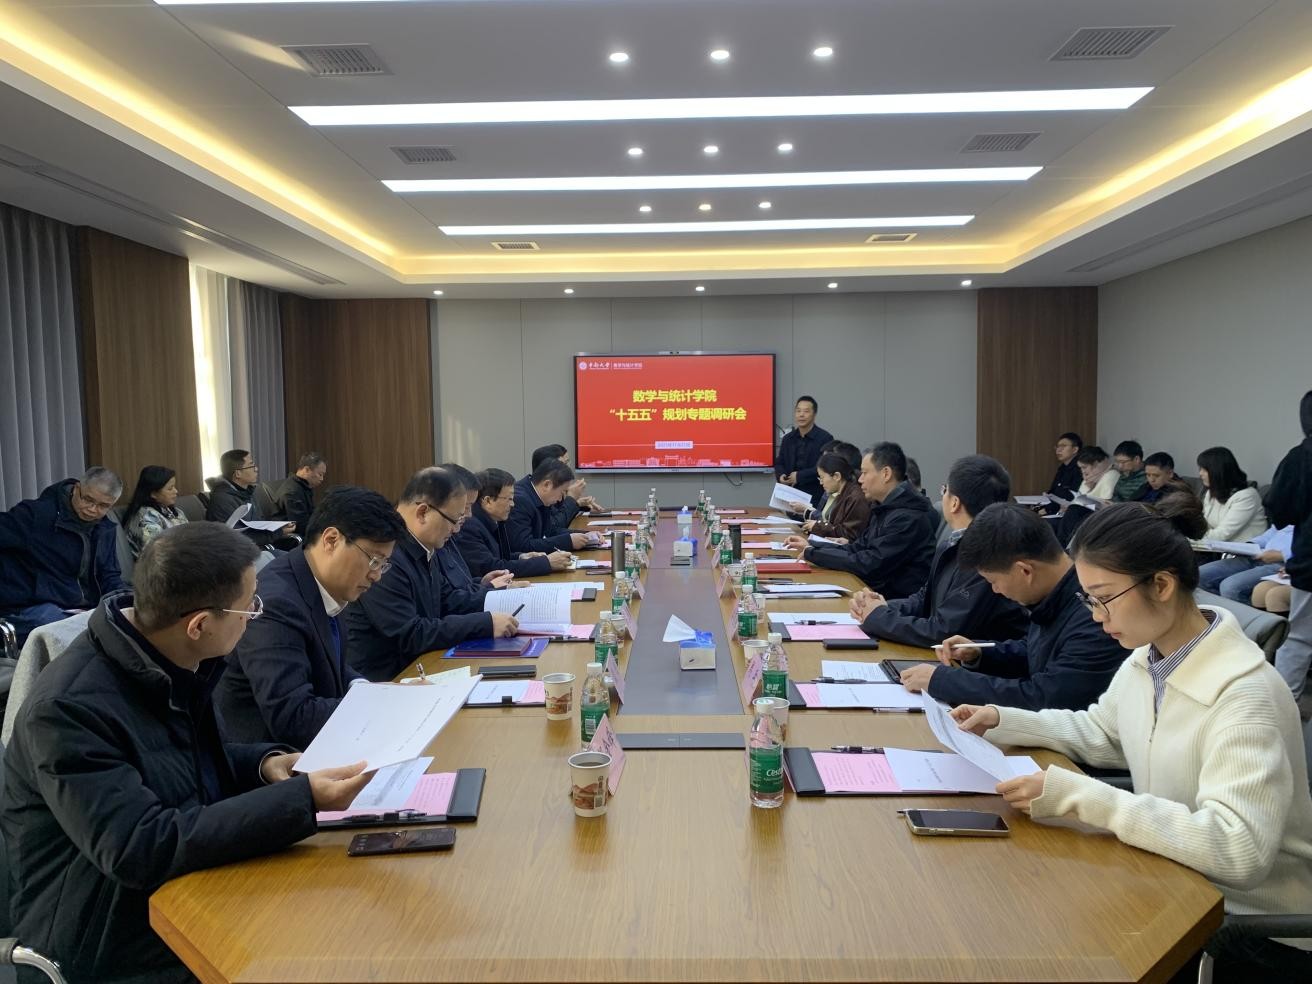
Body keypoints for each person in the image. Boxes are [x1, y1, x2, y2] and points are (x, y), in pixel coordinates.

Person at [951, 501, 1312, 981]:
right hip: (1175, 883)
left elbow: (1237, 850)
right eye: (1088, 600)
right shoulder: (1148, 659)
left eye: (1104, 599)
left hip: (1246, 931)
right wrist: (1001, 720)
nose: (1096, 617)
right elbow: (1103, 733)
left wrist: (1085, 797)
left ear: (1161, 585)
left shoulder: (1246, 694)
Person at [0, 522, 372, 983]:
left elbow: (179, 767)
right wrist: (304, 800)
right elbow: (141, 846)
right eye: (249, 607)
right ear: (199, 625)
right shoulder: (67, 710)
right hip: (110, 941)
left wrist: (264, 765)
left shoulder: (167, 658)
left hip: (183, 894)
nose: (254, 616)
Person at [214, 486, 406, 748]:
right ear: (331, 540)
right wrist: (382, 705)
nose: (377, 575)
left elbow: (331, 664)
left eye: (383, 564)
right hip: (273, 757)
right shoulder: (276, 604)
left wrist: (372, 691)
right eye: (374, 560)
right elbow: (294, 718)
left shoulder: (323, 582)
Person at [913, 502, 1128, 709]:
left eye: (993, 581)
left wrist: (945, 681)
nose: (995, 590)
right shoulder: (1054, 593)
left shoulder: (1094, 614)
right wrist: (981, 653)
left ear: (1024, 570)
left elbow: (1045, 698)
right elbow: (1037, 652)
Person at [343, 468, 519, 683]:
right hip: (389, 680)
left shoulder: (423, 546)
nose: (456, 530)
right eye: (454, 519)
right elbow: (410, 634)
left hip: (421, 667)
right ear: (423, 513)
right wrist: (484, 623)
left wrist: (503, 597)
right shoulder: (386, 554)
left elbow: (447, 600)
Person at [852, 455, 1029, 653]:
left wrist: (879, 617)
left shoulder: (988, 558)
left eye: (945, 490)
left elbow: (944, 631)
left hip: (977, 664)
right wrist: (882, 606)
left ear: (954, 503)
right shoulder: (950, 543)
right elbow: (924, 599)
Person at [784, 442, 935, 597]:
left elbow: (870, 563)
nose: (860, 479)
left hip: (893, 600)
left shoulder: (907, 517)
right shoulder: (885, 507)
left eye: (865, 473)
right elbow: (858, 548)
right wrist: (814, 547)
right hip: (873, 592)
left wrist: (814, 554)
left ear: (886, 474)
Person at [0, 467, 126, 646]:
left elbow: (109, 575)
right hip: (34, 606)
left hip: (82, 608)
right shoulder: (36, 516)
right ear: (77, 488)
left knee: (123, 621)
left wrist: (125, 603)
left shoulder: (105, 529)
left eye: (103, 506)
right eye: (88, 499)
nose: (92, 509)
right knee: (72, 629)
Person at [1267, 390, 1312, 700]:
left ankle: (1282, 712)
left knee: (1299, 639)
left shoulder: (1301, 456)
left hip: (1310, 562)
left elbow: (1280, 510)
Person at [456, 467, 572, 580]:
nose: (513, 504)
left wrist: (521, 557)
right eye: (509, 499)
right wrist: (546, 563)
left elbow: (498, 557)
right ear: (488, 501)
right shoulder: (469, 526)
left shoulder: (494, 520)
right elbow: (491, 568)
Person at [506, 458, 597, 555]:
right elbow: (523, 546)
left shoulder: (539, 495)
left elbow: (550, 531)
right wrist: (568, 542)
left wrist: (585, 535)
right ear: (547, 485)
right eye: (562, 492)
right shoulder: (520, 500)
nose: (560, 499)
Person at [206, 449, 296, 547]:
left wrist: (279, 528)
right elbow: (238, 538)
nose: (256, 469)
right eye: (251, 466)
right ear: (238, 473)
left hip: (260, 547)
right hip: (243, 553)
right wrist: (278, 533)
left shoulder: (247, 492)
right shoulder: (223, 500)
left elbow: (259, 525)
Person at [1198, 524, 1294, 603]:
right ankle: (1219, 613)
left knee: (1230, 587)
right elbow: (1271, 534)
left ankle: (1243, 619)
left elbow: (1303, 550)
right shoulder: (1291, 512)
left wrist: (1283, 555)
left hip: (1283, 563)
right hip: (1258, 554)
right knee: (1200, 575)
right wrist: (1249, 545)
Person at [1198, 446, 1267, 542]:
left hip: (1243, 549)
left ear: (1219, 471)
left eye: (1204, 470)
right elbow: (1204, 525)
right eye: (1200, 469)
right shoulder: (1211, 492)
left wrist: (1190, 536)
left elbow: (1222, 535)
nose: (1200, 473)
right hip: (1217, 546)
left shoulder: (1247, 496)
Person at [775, 396, 834, 506]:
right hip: (790, 495)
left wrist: (799, 476)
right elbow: (779, 462)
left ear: (814, 414)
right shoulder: (788, 438)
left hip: (814, 496)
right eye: (798, 411)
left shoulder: (825, 438)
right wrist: (781, 475)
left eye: (806, 411)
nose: (801, 415)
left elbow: (825, 468)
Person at [800, 451, 871, 540]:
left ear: (837, 476)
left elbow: (849, 534)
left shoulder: (855, 498)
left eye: (822, 477)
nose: (821, 482)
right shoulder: (837, 491)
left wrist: (818, 526)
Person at [532, 444, 601, 533]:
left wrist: (578, 504)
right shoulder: (533, 495)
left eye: (568, 462)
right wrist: (571, 498)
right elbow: (555, 526)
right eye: (563, 464)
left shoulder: (550, 489)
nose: (567, 468)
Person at [123, 465, 188, 558]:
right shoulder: (145, 518)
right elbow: (158, 555)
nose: (176, 491)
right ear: (153, 493)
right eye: (170, 488)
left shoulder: (173, 510)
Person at [273, 452, 327, 537]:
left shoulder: (303, 487)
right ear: (306, 470)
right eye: (320, 474)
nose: (322, 479)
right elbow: (301, 525)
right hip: (291, 539)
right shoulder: (292, 491)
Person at [1045, 432, 1084, 506]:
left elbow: (1071, 496)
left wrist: (1048, 509)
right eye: (1057, 446)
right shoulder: (1062, 468)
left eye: (1063, 446)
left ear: (1075, 449)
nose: (1058, 450)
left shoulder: (1080, 469)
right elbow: (1053, 492)